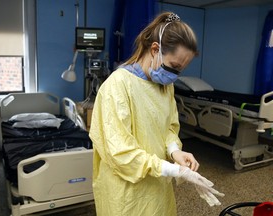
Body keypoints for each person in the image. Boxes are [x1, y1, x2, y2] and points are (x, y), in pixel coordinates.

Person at [89, 11, 224, 216]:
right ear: (155, 50)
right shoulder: (117, 86)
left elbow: (168, 126)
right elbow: (120, 153)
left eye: (180, 70)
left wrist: (173, 151)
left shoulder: (164, 86)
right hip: (125, 192)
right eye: (174, 66)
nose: (174, 75)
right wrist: (173, 170)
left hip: (157, 186)